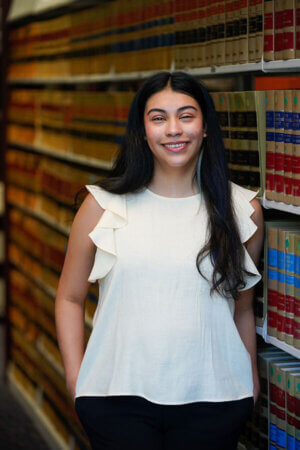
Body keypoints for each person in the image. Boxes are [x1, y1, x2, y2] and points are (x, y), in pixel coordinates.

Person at [55, 71, 264, 450]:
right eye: (158, 118)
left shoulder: (242, 210)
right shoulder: (101, 206)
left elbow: (243, 308)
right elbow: (69, 297)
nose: (173, 129)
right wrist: (76, 379)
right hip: (115, 398)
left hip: (216, 399)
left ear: (205, 128)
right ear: (142, 130)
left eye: (186, 116)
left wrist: (249, 381)